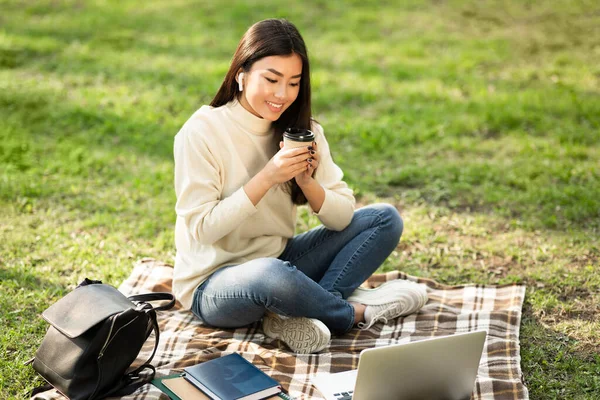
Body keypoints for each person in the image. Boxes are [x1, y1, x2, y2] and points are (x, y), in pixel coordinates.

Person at [173, 18, 428, 354]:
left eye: (293, 83)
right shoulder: (201, 132)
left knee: (384, 219)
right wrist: (267, 178)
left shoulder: (302, 132)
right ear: (241, 73)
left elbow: (340, 219)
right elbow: (203, 230)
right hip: (214, 284)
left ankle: (291, 315)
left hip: (281, 259)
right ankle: (355, 313)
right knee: (271, 274)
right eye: (271, 79)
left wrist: (307, 182)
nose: (282, 95)